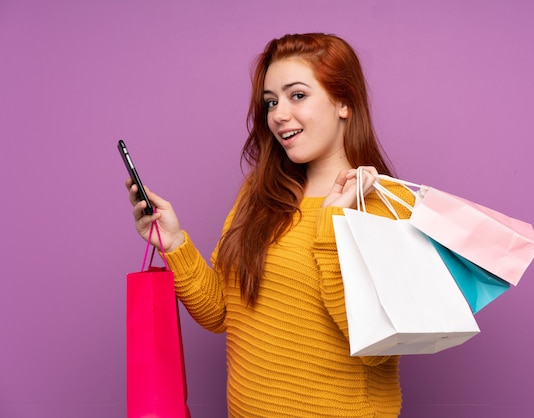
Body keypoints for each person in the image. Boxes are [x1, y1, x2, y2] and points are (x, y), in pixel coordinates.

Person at [126, 33, 414, 417]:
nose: (278, 114)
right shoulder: (258, 195)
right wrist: (175, 242)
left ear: (343, 101)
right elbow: (223, 314)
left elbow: (378, 348)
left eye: (297, 95)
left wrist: (330, 227)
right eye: (271, 102)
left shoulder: (384, 204)